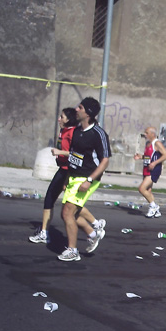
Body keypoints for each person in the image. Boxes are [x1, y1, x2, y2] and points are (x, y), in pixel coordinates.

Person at [29, 108, 106, 244]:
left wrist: (60, 153)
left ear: (69, 120)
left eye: (62, 117)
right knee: (68, 207)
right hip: (65, 170)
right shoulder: (65, 131)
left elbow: (75, 154)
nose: (59, 119)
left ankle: (65, 240)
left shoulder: (74, 133)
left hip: (70, 171)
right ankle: (93, 231)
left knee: (66, 207)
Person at [58, 97, 111, 262]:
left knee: (68, 213)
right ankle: (93, 232)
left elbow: (105, 160)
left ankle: (73, 251)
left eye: (79, 107)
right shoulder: (76, 131)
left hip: (87, 178)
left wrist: (89, 180)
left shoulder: (98, 133)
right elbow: (74, 156)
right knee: (67, 214)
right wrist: (67, 178)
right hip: (74, 177)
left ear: (88, 113)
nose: (76, 109)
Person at [133, 126, 166, 218]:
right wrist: (141, 157)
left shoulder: (157, 143)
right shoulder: (147, 143)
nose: (145, 135)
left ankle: (154, 206)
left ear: (152, 134)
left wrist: (155, 163)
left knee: (142, 189)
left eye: (147, 133)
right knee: (148, 191)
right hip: (146, 168)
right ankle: (156, 211)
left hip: (154, 170)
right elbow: (148, 156)